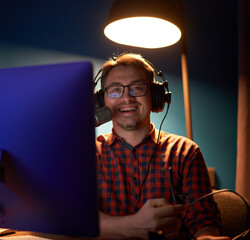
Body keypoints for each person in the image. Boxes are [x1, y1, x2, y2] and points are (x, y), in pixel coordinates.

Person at [95, 53, 229, 240]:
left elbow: (204, 224)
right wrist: (134, 226)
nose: (127, 98)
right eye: (115, 90)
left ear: (156, 96)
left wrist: (206, 237)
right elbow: (70, 222)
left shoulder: (186, 152)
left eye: (137, 88)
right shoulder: (86, 153)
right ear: (101, 101)